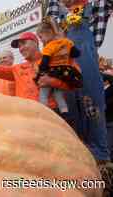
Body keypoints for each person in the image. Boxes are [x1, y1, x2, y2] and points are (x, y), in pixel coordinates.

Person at [48, 0, 112, 163]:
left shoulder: (98, 5)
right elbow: (48, 31)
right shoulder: (55, 7)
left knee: (93, 109)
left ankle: (100, 159)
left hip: (87, 67)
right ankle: (78, 156)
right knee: (70, 114)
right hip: (65, 67)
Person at [0, 32, 71, 111]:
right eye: (19, 46)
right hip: (24, 116)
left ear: (35, 43)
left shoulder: (52, 61)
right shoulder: (17, 69)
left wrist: (51, 81)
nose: (21, 48)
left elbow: (71, 84)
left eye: (24, 43)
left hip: (52, 114)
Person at [34, 17, 82, 114]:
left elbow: (44, 63)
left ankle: (43, 111)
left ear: (48, 33)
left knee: (43, 94)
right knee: (58, 95)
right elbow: (76, 54)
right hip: (64, 72)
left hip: (51, 72)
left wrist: (41, 73)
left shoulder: (49, 47)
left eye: (41, 37)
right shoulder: (67, 42)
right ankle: (64, 111)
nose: (41, 40)